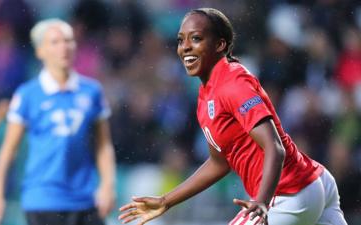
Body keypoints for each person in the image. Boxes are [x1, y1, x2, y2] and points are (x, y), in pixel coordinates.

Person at [118, 8, 347, 225]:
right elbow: (220, 162)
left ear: (220, 44)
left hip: (290, 192)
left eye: (196, 38)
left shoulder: (233, 83)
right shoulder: (206, 95)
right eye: (181, 40)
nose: (185, 47)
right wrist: (166, 201)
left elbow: (274, 147)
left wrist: (262, 202)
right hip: (313, 180)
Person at [0, 19, 116, 225]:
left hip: (85, 199)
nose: (63, 47)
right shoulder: (28, 95)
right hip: (43, 201)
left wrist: (108, 185)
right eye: (55, 42)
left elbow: (103, 145)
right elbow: (9, 151)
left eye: (68, 40)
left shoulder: (92, 91)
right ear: (40, 51)